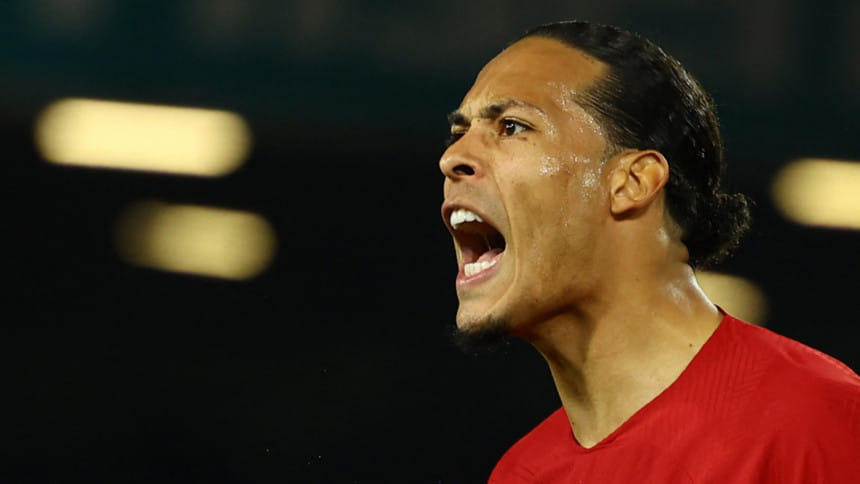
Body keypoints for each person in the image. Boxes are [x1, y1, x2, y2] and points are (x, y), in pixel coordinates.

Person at [439, 20, 860, 483]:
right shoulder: (520, 473)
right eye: (459, 133)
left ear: (633, 182)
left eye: (511, 127)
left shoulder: (817, 421)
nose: (451, 157)